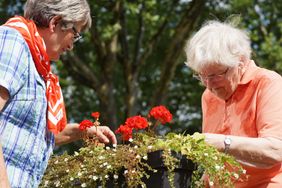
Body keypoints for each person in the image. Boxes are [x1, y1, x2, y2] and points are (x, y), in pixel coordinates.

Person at [0, 0, 117, 187]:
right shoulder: (12, 41)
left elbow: (36, 135)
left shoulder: (38, 68)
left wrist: (82, 131)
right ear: (55, 23)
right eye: (75, 34)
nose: (72, 46)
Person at [184, 20, 282, 187]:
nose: (209, 84)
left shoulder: (268, 83)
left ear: (240, 63)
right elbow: (214, 162)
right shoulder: (208, 96)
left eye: (215, 75)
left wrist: (223, 143)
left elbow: (276, 150)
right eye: (202, 76)